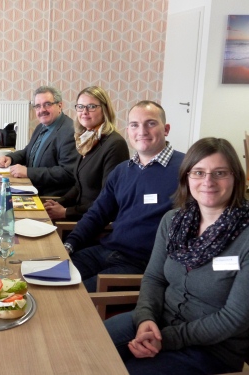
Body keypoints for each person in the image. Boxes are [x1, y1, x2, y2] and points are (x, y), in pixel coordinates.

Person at [105, 138, 249, 375]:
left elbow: (234, 318)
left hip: (212, 349)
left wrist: (166, 339)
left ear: (236, 177)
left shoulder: (245, 236)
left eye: (220, 173)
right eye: (198, 172)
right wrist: (145, 319)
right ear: (186, 177)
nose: (208, 182)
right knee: (86, 346)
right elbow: (154, 277)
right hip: (158, 322)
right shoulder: (173, 220)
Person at [64, 101, 185, 292]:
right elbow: (97, 213)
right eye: (135, 125)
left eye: (151, 123)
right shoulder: (122, 171)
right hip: (105, 251)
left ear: (166, 129)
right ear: (128, 130)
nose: (142, 131)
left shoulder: (188, 170)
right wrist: (70, 244)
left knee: (73, 296)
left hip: (141, 265)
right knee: (51, 279)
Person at [44, 86, 129, 221]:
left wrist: (66, 212)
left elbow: (109, 199)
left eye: (91, 106)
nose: (84, 111)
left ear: (105, 110)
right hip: (78, 214)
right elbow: (79, 186)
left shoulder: (115, 144)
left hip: (93, 221)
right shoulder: (86, 139)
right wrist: (59, 202)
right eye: (80, 106)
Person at [0, 85, 79, 197]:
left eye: (47, 104)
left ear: (60, 105)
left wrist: (28, 172)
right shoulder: (41, 126)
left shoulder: (69, 131)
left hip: (50, 196)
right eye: (38, 106)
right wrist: (10, 158)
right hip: (31, 186)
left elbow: (67, 172)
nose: (42, 110)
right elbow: (28, 152)